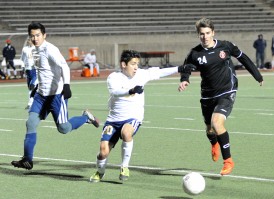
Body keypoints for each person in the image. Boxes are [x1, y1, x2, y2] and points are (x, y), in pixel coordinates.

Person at [89, 50, 195, 182]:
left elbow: (158, 72)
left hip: (133, 117)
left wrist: (180, 68)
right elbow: (115, 92)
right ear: (123, 64)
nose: (136, 67)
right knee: (103, 151)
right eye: (133, 64)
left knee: (127, 133)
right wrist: (131, 90)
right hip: (113, 120)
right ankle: (100, 172)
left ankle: (125, 166)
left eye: (137, 64)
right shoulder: (113, 77)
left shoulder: (141, 74)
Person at [178, 18, 263, 176]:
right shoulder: (195, 53)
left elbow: (243, 58)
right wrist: (184, 80)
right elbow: (186, 68)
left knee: (217, 123)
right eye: (202, 34)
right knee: (209, 129)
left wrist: (257, 75)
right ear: (198, 35)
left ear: (213, 32)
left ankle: (228, 161)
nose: (205, 37)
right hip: (207, 95)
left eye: (208, 33)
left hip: (227, 91)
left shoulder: (226, 46)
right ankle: (214, 143)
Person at [11, 22, 100, 170]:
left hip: (56, 96)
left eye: (38, 35)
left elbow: (64, 66)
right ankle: (27, 159)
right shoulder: (34, 50)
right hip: (41, 96)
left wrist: (66, 86)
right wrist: (38, 86)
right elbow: (43, 71)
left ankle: (86, 118)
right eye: (32, 36)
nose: (35, 38)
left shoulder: (50, 49)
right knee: (31, 123)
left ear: (44, 35)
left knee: (64, 128)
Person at [20, 38, 38, 109]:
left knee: (32, 86)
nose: (28, 41)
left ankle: (30, 104)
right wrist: (23, 66)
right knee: (30, 88)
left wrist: (36, 65)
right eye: (28, 40)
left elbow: (39, 59)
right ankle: (31, 103)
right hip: (28, 70)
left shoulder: (37, 49)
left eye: (29, 40)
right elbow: (22, 58)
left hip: (35, 71)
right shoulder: (25, 49)